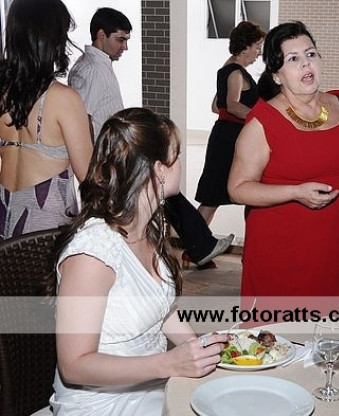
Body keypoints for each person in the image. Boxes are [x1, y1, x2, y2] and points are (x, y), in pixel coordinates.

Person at [50, 108, 227, 415]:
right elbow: (74, 366)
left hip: (153, 387)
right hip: (102, 405)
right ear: (159, 170)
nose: (181, 164)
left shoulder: (147, 230)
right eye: (177, 156)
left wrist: (203, 349)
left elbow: (160, 309)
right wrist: (169, 363)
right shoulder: (92, 254)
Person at [228, 21, 339, 310]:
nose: (305, 64)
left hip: (328, 244)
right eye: (293, 59)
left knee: (326, 327)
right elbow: (238, 188)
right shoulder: (263, 122)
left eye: (310, 54)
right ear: (276, 75)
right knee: (281, 331)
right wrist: (295, 192)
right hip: (279, 249)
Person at [68, 7, 232, 267]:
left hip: (118, 155)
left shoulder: (99, 65)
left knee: (161, 191)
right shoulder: (90, 70)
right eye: (120, 39)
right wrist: (92, 167)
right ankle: (198, 247)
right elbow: (82, 118)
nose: (125, 47)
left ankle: (200, 246)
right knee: (156, 193)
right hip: (111, 159)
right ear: (101, 35)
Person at [0, 0, 92, 240]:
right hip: (45, 229)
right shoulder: (64, 99)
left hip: (4, 216)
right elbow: (89, 176)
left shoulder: (3, 94)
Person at [196, 21, 266, 225]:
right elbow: (232, 105)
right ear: (245, 47)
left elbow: (216, 106)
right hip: (230, 140)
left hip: (225, 136)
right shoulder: (235, 72)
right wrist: (262, 119)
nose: (259, 53)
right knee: (215, 197)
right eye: (257, 47)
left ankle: (196, 241)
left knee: (213, 197)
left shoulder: (227, 69)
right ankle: (194, 241)